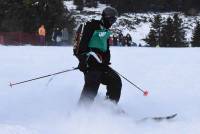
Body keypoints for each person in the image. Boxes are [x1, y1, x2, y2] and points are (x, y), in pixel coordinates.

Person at [73, 7, 122, 105]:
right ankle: (82, 111)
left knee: (115, 80)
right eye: (111, 19)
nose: (112, 22)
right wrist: (83, 60)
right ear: (105, 17)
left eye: (114, 20)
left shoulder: (106, 31)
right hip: (89, 64)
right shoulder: (91, 26)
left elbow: (106, 50)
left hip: (100, 65)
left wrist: (106, 61)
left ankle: (110, 107)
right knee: (93, 81)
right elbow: (80, 46)